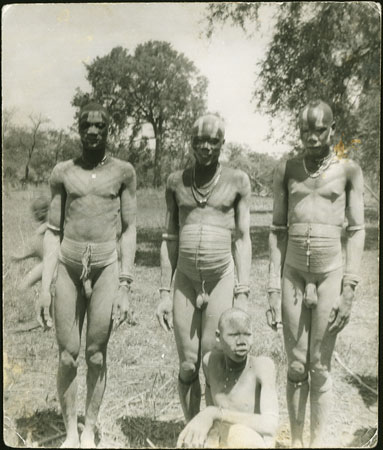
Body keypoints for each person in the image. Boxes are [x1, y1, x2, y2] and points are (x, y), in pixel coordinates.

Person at [37, 101, 137, 448]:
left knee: (96, 353)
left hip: (106, 265)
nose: (93, 131)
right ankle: (69, 433)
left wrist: (125, 283)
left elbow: (129, 228)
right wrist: (44, 286)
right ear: (78, 129)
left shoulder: (123, 172)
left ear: (110, 130)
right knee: (67, 354)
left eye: (101, 125)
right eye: (86, 125)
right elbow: (52, 230)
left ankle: (90, 428)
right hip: (68, 264)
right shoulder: (63, 172)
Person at [267, 99, 365, 447]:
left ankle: (317, 442)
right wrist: (272, 289)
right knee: (295, 365)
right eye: (306, 130)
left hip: (330, 275)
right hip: (293, 274)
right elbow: (278, 229)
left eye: (320, 130)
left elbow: (355, 230)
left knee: (320, 367)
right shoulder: (287, 169)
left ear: (332, 130)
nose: (312, 137)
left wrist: (349, 289)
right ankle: (296, 442)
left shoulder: (348, 170)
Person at [156, 114, 252, 423]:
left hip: (220, 277)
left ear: (222, 143)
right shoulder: (176, 181)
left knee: (213, 360)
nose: (206, 147)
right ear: (191, 143)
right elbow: (169, 239)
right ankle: (191, 427)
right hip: (185, 280)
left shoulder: (237, 180)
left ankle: (214, 431)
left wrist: (243, 292)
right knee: (187, 363)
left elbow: (242, 239)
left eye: (213, 141)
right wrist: (162, 292)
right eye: (199, 140)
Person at [177, 307, 278, 448]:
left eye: (247, 334)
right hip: (223, 438)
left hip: (252, 440)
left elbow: (270, 425)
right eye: (233, 335)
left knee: (239, 435)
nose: (241, 341)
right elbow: (212, 410)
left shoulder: (263, 366)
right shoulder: (210, 362)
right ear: (218, 337)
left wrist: (217, 414)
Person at [11, 194, 50, 291]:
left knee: (22, 287)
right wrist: (21, 257)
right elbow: (35, 250)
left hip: (49, 263)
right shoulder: (44, 228)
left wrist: (21, 256)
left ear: (43, 212)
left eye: (36, 212)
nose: (35, 215)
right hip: (47, 263)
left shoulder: (49, 226)